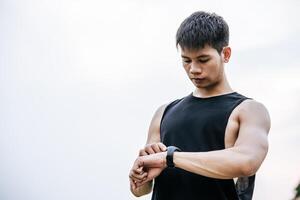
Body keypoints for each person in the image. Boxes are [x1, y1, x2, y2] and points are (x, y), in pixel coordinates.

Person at [129, 11, 271, 200]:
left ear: (225, 54)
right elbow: (141, 190)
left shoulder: (249, 110)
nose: (193, 69)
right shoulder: (164, 112)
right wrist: (139, 176)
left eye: (203, 60)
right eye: (186, 60)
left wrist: (170, 158)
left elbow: (247, 162)